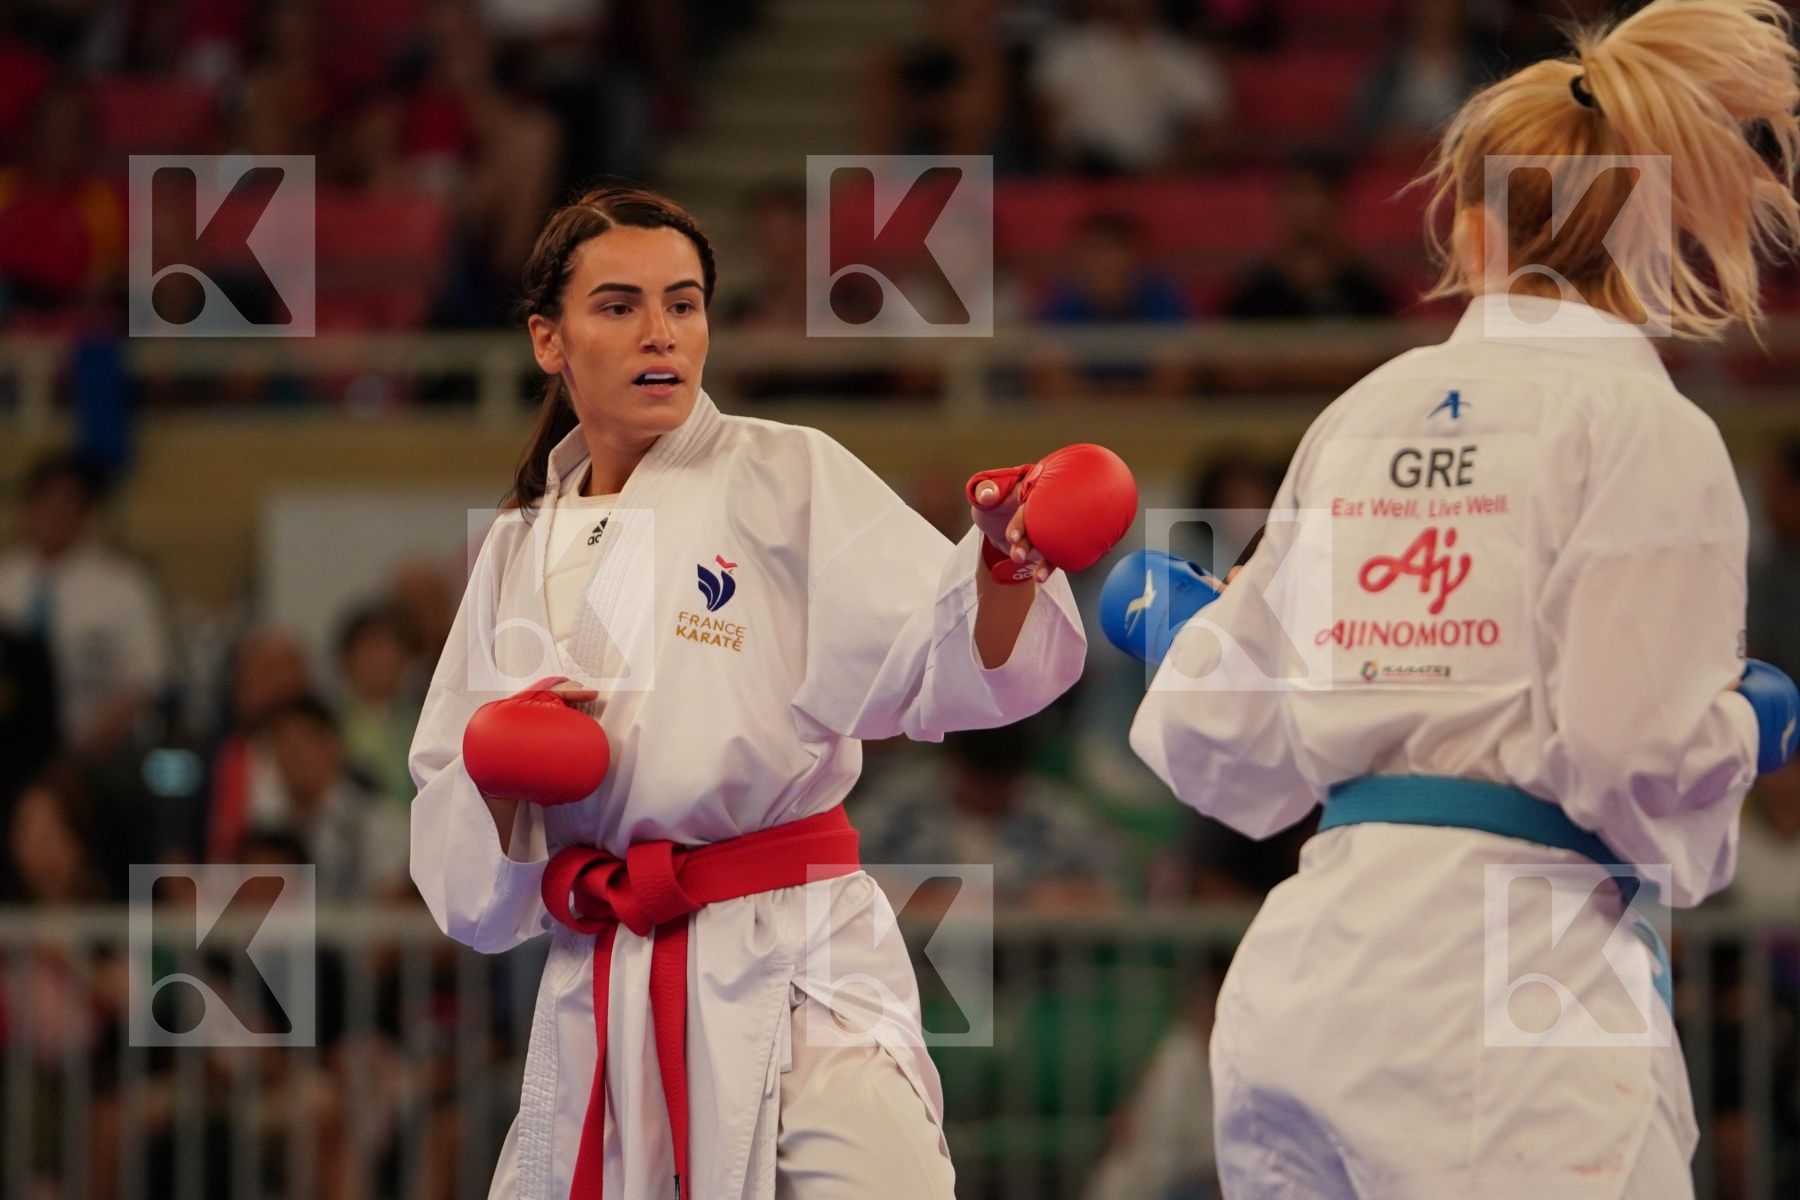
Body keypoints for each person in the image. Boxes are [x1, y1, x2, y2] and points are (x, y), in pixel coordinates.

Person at [1114, 2, 1800, 1194]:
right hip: (1516, 999)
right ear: (1652, 238)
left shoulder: (1365, 409)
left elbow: (1233, 743)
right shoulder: (1648, 430)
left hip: (1309, 978)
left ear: (1474, 235)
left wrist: (1191, 640)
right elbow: (1631, 751)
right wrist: (1751, 724)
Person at [408, 186, 1129, 1198]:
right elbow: (469, 892)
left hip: (797, 961)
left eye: (685, 303)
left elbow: (943, 664)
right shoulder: (519, 550)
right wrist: (493, 774)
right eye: (619, 307)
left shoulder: (783, 472)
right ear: (548, 340)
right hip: (606, 982)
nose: (661, 333)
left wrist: (1006, 564)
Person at [0, 453, 175, 756]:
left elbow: (146, 682)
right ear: (28, 508)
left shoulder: (124, 584)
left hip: (94, 750)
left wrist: (81, 752)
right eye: (46, 501)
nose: (55, 512)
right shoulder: (6, 578)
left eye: (67, 502)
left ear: (88, 511)